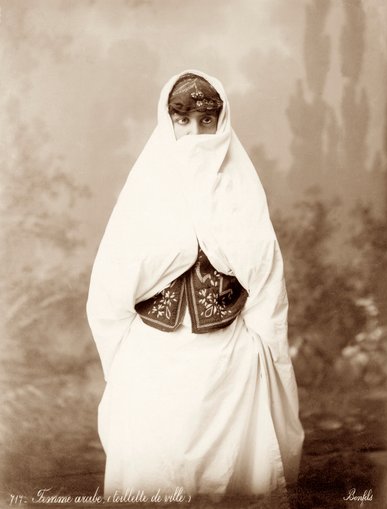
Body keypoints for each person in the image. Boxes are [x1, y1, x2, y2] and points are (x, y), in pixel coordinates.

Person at [87, 70, 304, 506]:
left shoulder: (238, 183)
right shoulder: (146, 187)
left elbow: (265, 277)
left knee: (232, 477)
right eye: (182, 120)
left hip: (228, 355)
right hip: (153, 351)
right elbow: (110, 286)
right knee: (155, 460)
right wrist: (124, 356)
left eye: (206, 121)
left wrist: (263, 349)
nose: (195, 133)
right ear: (167, 121)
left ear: (221, 122)